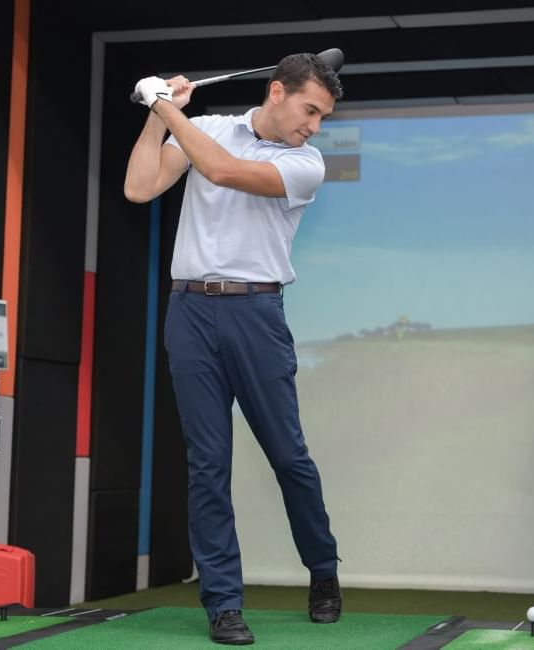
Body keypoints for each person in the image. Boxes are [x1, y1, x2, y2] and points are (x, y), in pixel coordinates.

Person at [124, 53, 344, 646]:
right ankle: (223, 603)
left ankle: (323, 571)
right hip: (190, 312)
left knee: (288, 457)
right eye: (310, 110)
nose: (314, 126)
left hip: (256, 313)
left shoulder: (305, 164)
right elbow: (140, 186)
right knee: (207, 466)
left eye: (322, 116)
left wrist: (166, 104)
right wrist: (154, 115)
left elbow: (220, 171)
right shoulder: (214, 126)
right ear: (277, 92)